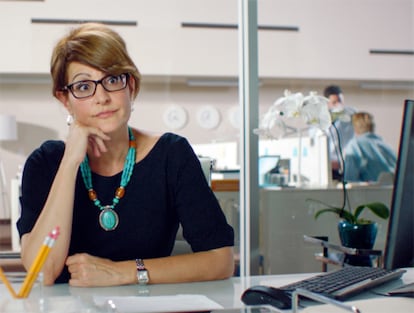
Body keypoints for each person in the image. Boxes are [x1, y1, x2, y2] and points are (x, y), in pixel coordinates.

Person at [16, 23, 234, 287]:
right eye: (84, 86)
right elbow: (43, 272)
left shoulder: (171, 154)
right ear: (65, 99)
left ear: (130, 86)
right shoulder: (46, 162)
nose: (102, 97)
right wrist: (70, 161)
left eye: (112, 80)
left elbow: (221, 260)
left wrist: (124, 272)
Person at [343, 112, 397, 182]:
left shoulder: (355, 145)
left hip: (369, 191)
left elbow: (350, 179)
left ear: (355, 128)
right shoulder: (387, 146)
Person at [323, 85, 357, 180]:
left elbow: (353, 113)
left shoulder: (350, 113)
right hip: (329, 167)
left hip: (347, 164)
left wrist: (339, 111)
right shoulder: (321, 120)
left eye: (340, 101)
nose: (338, 105)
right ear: (327, 104)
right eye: (334, 102)